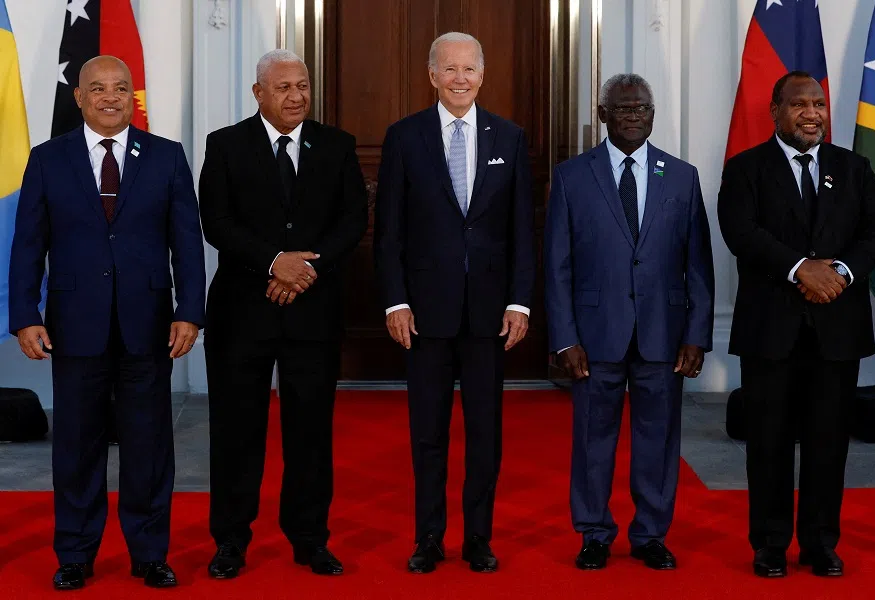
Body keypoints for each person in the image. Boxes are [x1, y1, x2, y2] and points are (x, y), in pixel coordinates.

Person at [8, 56, 206, 590]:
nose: (111, 97)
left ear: (132, 97)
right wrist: (24, 315)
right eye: (98, 89)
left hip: (149, 324)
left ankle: (149, 554)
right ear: (79, 97)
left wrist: (190, 310)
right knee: (76, 445)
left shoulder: (166, 157)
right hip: (75, 325)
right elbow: (29, 243)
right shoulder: (48, 159)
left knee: (149, 445)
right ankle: (75, 553)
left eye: (121, 88)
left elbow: (186, 243)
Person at [199, 49, 367, 579]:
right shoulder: (225, 145)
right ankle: (230, 541)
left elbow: (353, 219)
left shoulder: (336, 145)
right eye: (284, 87)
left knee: (311, 435)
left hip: (311, 316)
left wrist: (303, 272)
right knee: (236, 434)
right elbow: (216, 221)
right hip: (241, 317)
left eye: (303, 85)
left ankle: (310, 539)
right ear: (258, 93)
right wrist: (275, 262)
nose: (297, 96)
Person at [718, 71, 875, 578]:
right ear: (775, 111)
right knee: (768, 442)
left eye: (818, 104)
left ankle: (820, 543)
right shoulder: (745, 168)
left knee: (828, 442)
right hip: (771, 331)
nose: (812, 113)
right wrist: (801, 269)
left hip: (836, 331)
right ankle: (770, 544)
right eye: (799, 104)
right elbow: (740, 232)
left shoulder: (853, 168)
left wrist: (839, 271)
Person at [374, 31, 534, 574]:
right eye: (450, 69)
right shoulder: (404, 137)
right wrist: (395, 302)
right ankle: (428, 538)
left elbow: (521, 231)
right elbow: (388, 232)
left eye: (469, 69)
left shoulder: (509, 138)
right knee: (429, 433)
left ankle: (478, 539)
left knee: (485, 433)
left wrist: (521, 302)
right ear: (432, 75)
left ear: (482, 75)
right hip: (425, 313)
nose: (460, 78)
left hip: (491, 315)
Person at [544, 73, 714, 572]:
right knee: (593, 439)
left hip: (664, 333)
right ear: (603, 115)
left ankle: (650, 534)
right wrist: (565, 336)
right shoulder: (573, 176)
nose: (634, 115)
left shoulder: (681, 176)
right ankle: (594, 532)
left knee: (658, 440)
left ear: (653, 114)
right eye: (623, 108)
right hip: (595, 335)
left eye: (642, 108)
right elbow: (557, 265)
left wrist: (697, 335)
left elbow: (697, 263)